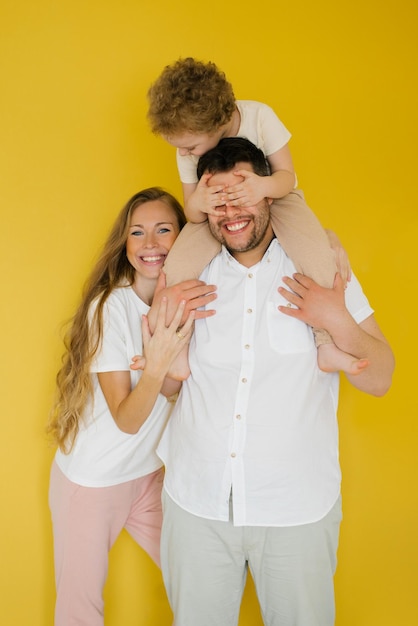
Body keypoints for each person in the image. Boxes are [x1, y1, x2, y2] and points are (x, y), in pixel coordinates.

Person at [154, 138, 395, 626]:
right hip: (197, 504)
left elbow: (381, 378)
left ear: (270, 195)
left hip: (296, 511)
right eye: (218, 200)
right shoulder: (188, 278)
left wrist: (337, 319)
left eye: (241, 195)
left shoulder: (320, 270)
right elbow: (170, 389)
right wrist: (161, 363)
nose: (231, 211)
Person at [46, 187, 216, 626]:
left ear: (184, 236)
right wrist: (158, 367)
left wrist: (166, 375)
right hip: (93, 481)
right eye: (137, 233)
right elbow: (126, 419)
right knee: (79, 610)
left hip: (149, 475)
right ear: (125, 245)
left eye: (164, 229)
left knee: (201, 581)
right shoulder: (110, 308)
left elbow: (171, 395)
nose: (151, 243)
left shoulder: (185, 299)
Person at [147, 56, 367, 376]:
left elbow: (287, 177)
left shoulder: (260, 117)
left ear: (215, 126)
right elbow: (191, 211)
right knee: (177, 267)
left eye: (190, 146)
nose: (184, 153)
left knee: (319, 257)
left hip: (275, 196)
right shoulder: (187, 146)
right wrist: (202, 200)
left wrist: (261, 187)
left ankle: (327, 346)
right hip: (213, 211)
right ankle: (175, 346)